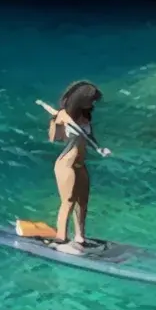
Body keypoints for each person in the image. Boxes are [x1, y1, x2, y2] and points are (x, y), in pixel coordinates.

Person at [47, 80, 105, 249]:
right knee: (69, 201)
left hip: (80, 165)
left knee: (83, 202)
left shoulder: (85, 118)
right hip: (66, 165)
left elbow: (90, 139)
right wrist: (56, 122)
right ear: (82, 99)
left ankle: (80, 237)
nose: (93, 103)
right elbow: (54, 139)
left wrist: (100, 149)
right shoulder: (64, 116)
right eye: (91, 100)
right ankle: (61, 237)